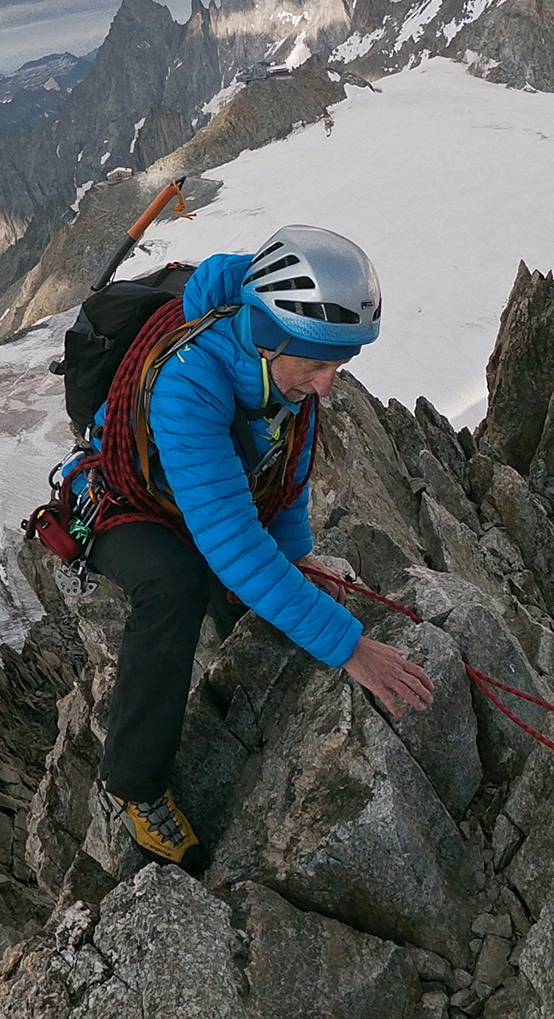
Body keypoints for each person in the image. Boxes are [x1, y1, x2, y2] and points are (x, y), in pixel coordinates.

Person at [77, 224, 435, 873]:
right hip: (122, 500)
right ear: (269, 340)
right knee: (178, 585)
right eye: (319, 365)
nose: (328, 386)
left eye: (339, 366)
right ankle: (136, 785)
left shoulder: (279, 368)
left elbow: (284, 474)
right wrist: (349, 646)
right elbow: (234, 545)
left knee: (253, 593)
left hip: (192, 493)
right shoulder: (191, 382)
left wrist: (295, 557)